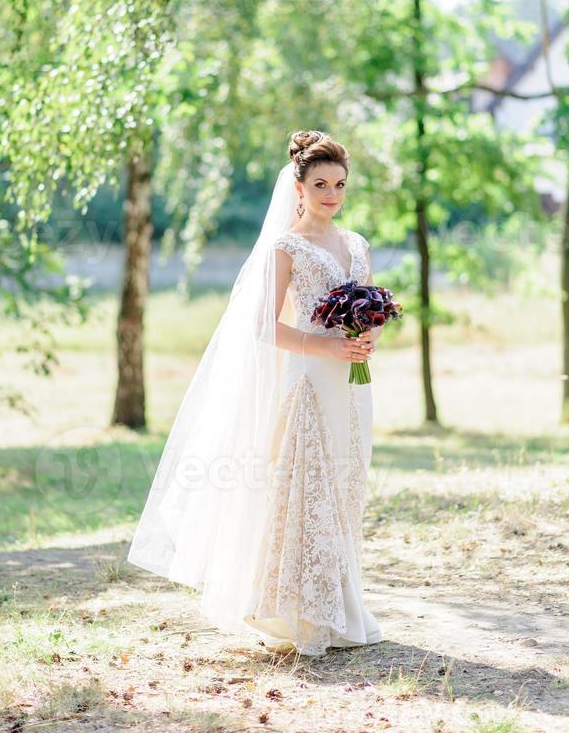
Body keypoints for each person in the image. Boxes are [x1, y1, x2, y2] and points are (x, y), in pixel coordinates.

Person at [127, 130, 385, 656]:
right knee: (307, 488)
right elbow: (264, 328)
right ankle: (299, 612)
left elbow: (374, 308)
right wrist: (324, 346)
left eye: (339, 185)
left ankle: (343, 606)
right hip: (310, 382)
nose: (331, 195)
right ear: (299, 185)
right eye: (320, 184)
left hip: (353, 387)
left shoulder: (357, 244)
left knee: (344, 487)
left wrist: (367, 336)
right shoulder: (284, 246)